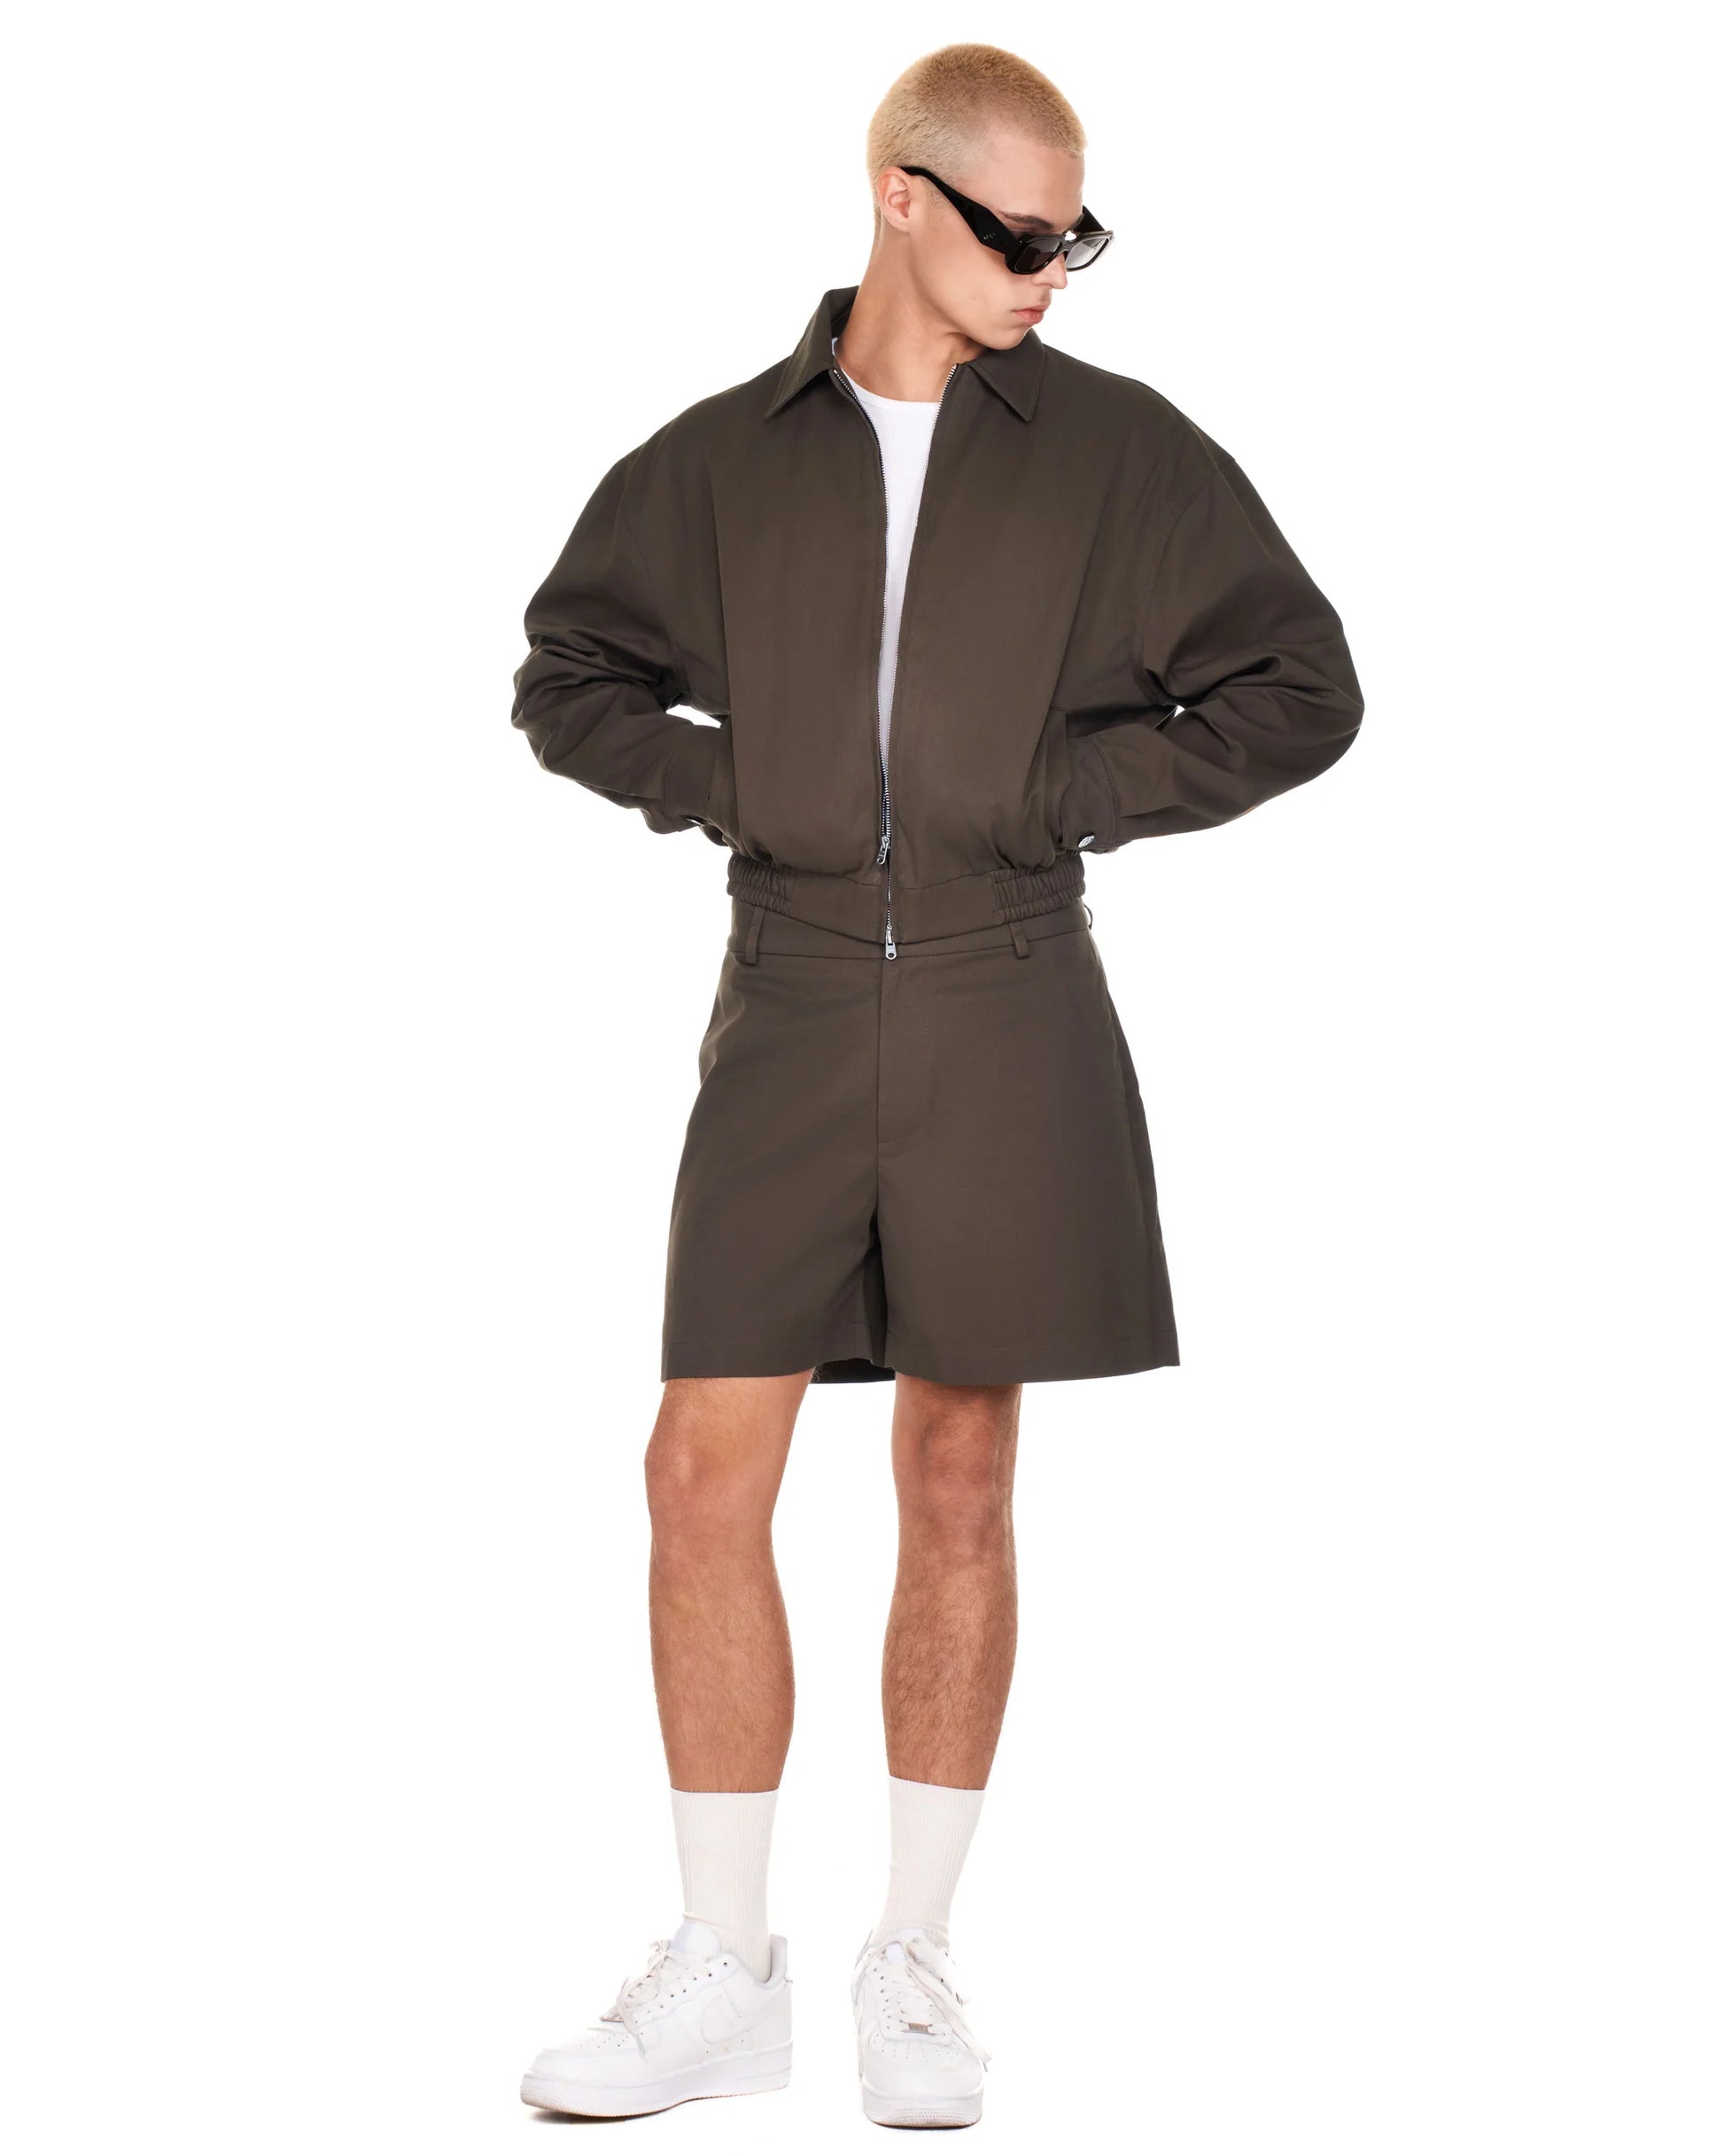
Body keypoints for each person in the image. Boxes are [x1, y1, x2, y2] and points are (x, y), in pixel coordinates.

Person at [510, 41, 1363, 2131]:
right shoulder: (723, 460)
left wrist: (1063, 790)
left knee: (960, 1467)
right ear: (901, 196)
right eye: (1022, 234)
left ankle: (911, 1957)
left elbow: (1299, 685)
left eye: (1078, 238)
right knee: (699, 1464)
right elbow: (569, 674)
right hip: (790, 991)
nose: (1054, 272)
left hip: (1010, 983)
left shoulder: (1120, 453)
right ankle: (723, 1964)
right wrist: (738, 787)